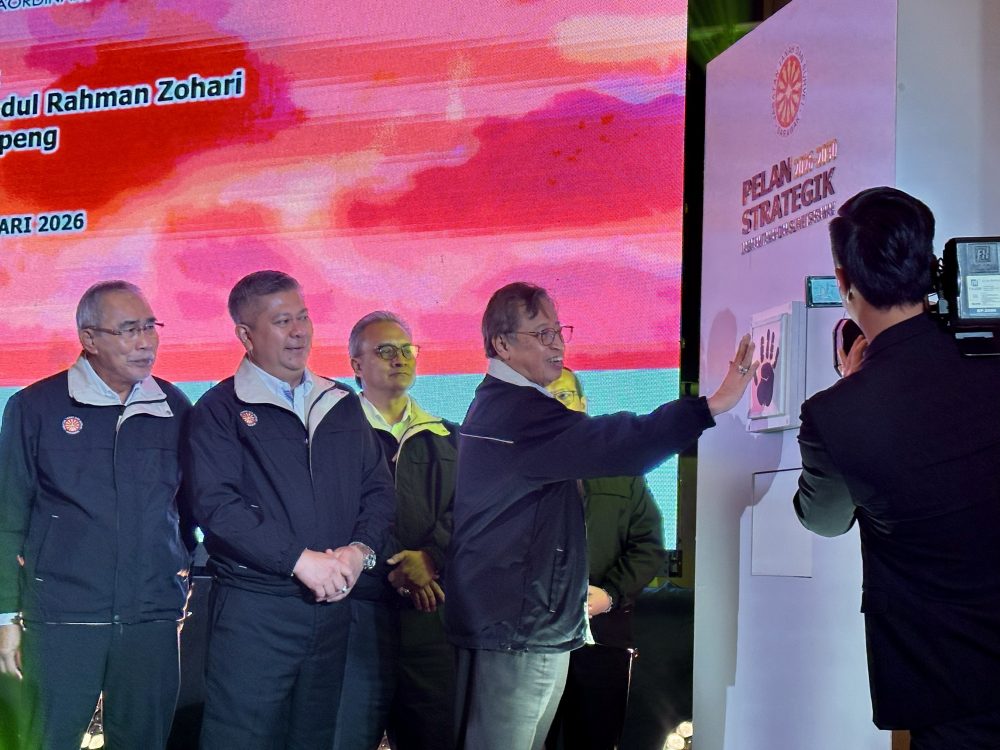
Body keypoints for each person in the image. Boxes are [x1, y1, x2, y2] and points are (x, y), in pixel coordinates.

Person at [446, 281, 756, 750]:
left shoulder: (502, 405)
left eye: (559, 330)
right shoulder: (519, 413)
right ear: (502, 345)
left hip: (517, 626)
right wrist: (710, 406)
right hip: (517, 629)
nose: (558, 344)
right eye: (542, 334)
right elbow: (622, 442)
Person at [794, 187, 1000, 748]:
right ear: (929, 263)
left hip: (944, 678)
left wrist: (851, 385)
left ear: (844, 281)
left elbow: (823, 519)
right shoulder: (987, 356)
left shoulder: (835, 414)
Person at [184, 270, 395, 749]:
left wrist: (358, 552)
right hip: (255, 613)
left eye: (303, 317)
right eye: (282, 322)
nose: (299, 332)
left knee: (316, 737)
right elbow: (217, 507)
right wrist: (299, 560)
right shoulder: (219, 409)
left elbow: (379, 491)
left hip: (334, 609)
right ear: (246, 335)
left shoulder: (340, 402)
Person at [0, 280, 191, 749]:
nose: (145, 341)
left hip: (150, 619)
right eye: (128, 330)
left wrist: (174, 576)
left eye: (150, 326)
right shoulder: (36, 407)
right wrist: (5, 616)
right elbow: (8, 515)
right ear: (89, 338)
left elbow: (188, 512)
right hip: (62, 618)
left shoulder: (174, 407)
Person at [334, 310, 458, 750]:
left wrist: (430, 559)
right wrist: (396, 571)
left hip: (429, 616)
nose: (400, 358)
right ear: (356, 365)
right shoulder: (331, 434)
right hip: (355, 617)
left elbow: (468, 512)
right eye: (385, 350)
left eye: (406, 350)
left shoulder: (447, 437)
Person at [543, 367, 667, 750]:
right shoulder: (515, 473)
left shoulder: (622, 470)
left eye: (563, 395)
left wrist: (610, 594)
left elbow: (649, 546)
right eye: (543, 397)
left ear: (584, 404)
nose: (555, 405)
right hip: (533, 643)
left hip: (604, 638)